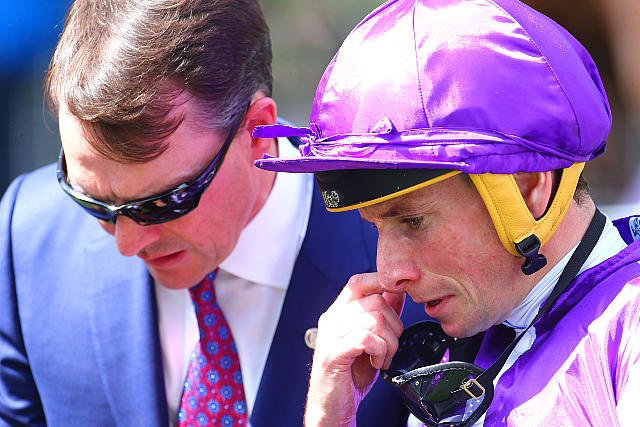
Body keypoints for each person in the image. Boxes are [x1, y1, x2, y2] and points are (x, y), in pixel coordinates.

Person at [0, 0, 425, 426]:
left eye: (164, 202)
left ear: (258, 132)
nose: (127, 243)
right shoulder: (29, 238)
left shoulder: (415, 269)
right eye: (92, 201)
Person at [252, 0, 640, 425]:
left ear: (528, 187)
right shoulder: (464, 343)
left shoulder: (629, 329)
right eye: (376, 227)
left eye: (412, 221)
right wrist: (331, 416)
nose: (389, 273)